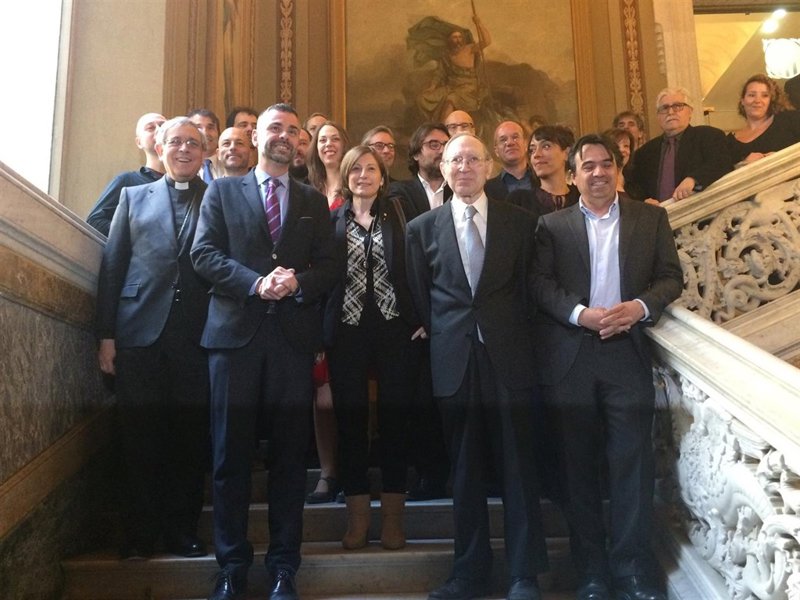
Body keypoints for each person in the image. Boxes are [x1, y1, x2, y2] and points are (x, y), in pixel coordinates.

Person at [191, 103, 339, 600]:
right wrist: (256, 283)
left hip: (292, 344)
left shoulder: (312, 201)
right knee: (229, 457)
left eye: (293, 131)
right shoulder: (221, 191)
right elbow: (204, 254)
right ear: (256, 137)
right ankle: (231, 567)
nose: (284, 136)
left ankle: (283, 568)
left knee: (291, 461)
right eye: (275, 128)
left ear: (299, 143)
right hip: (234, 340)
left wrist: (297, 281)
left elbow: (329, 266)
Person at [532, 133, 683, 600]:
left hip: (626, 353)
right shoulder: (551, 225)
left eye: (605, 164)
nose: (598, 173)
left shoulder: (650, 218)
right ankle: (591, 572)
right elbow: (539, 283)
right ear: (573, 176)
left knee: (632, 466)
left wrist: (640, 306)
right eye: (588, 166)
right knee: (577, 469)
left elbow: (671, 277)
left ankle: (632, 570)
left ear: (617, 170)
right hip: (573, 356)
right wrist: (580, 314)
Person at [406, 133, 548, 600]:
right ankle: (469, 573)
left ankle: (523, 574)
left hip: (509, 357)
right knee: (464, 472)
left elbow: (530, 292)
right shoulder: (421, 229)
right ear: (443, 169)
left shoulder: (520, 223)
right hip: (454, 361)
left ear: (488, 167)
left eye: (472, 159)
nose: (464, 167)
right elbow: (421, 296)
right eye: (455, 160)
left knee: (518, 467)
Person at [95, 116, 210, 560]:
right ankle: (140, 534)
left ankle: (182, 531)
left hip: (198, 338)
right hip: (138, 334)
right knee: (139, 438)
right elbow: (113, 266)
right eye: (175, 141)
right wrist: (106, 336)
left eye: (193, 143)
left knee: (189, 440)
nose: (184, 149)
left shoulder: (217, 199)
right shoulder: (132, 196)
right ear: (160, 149)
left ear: (204, 154)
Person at [325, 146, 423, 550]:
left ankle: (393, 521)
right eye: (356, 169)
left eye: (371, 169)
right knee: (350, 424)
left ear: (383, 177)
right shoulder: (331, 220)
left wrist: (422, 318)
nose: (363, 175)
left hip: (396, 328)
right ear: (346, 176)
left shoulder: (399, 214)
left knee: (396, 421)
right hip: (346, 332)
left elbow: (419, 267)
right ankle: (358, 520)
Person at [387, 123, 452, 502]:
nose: (440, 150)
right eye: (432, 144)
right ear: (415, 154)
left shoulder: (463, 191)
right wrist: (420, 319)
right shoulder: (398, 195)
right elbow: (399, 264)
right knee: (422, 403)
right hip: (414, 320)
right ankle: (430, 475)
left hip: (455, 315)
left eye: (445, 144)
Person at [626, 87, 731, 204]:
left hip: (699, 210)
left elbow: (721, 164)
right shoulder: (645, 152)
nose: (671, 112)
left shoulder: (709, 136)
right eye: (665, 108)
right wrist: (644, 201)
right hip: (658, 213)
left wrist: (693, 179)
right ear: (658, 116)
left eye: (677, 106)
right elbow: (632, 186)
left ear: (690, 111)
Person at [86, 112, 166, 235]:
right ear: (139, 142)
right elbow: (95, 222)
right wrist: (138, 234)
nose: (159, 130)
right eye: (150, 128)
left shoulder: (186, 183)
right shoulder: (127, 181)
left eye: (163, 126)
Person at [412, 15, 491, 122]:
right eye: (454, 37)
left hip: (469, 88)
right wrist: (432, 87)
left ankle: (443, 129)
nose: (458, 40)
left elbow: (487, 41)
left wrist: (478, 23)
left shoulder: (470, 49)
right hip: (451, 87)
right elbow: (440, 73)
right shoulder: (447, 56)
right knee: (423, 98)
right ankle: (432, 125)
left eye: (460, 37)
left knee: (450, 100)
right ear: (449, 40)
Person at [726, 73, 800, 167]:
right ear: (743, 101)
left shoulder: (790, 120)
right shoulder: (729, 142)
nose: (757, 100)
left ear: (771, 100)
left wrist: (781, 158)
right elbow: (723, 171)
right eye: (751, 95)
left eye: (765, 95)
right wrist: (743, 164)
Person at [507, 124, 579, 221]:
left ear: (566, 153)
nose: (536, 154)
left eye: (546, 146)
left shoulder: (582, 198)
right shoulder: (519, 201)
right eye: (532, 150)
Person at [388, 123, 452, 219]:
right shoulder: (400, 192)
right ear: (416, 154)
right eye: (434, 145)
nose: (442, 151)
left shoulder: (459, 190)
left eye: (446, 145)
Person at [485, 120, 534, 200]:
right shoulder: (487, 190)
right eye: (503, 140)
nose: (510, 143)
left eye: (515, 137)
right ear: (496, 151)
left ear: (525, 144)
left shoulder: (544, 179)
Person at [308, 120, 350, 209]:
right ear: (316, 148)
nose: (329, 144)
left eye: (335, 139)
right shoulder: (308, 187)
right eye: (323, 140)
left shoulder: (352, 184)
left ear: (344, 145)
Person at [188, 108, 222, 183]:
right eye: (198, 127)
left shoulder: (230, 165)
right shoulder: (182, 167)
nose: (205, 133)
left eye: (210, 128)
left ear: (218, 133)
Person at [603, 128, 636, 194]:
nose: (622, 150)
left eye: (626, 146)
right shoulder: (601, 180)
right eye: (616, 146)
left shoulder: (634, 180)